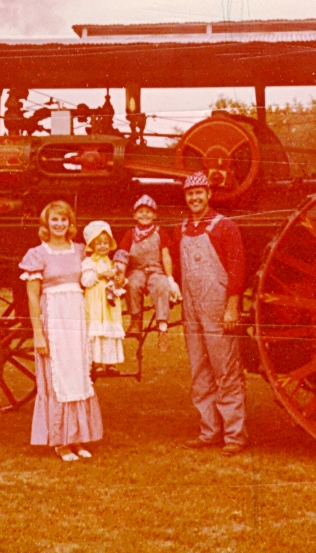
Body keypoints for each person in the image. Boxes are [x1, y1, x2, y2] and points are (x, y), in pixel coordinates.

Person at [19, 200, 102, 462]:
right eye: (54, 220)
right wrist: (38, 333)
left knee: (77, 375)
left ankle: (77, 438)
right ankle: (60, 442)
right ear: (47, 223)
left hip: (76, 318)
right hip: (52, 319)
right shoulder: (37, 254)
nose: (59, 224)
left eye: (63, 220)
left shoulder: (79, 251)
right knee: (59, 378)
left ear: (70, 223)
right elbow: (33, 297)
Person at [177, 171, 248, 457]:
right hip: (192, 308)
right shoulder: (182, 228)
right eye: (190, 194)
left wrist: (232, 306)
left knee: (226, 369)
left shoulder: (225, 226)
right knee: (199, 370)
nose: (194, 198)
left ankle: (235, 435)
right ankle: (209, 431)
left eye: (199, 193)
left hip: (218, 307)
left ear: (209, 194)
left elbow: (237, 268)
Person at [115, 194, 181, 352]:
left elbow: (165, 255)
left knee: (161, 286)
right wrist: (120, 273)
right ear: (134, 215)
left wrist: (170, 277)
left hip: (155, 269)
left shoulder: (160, 232)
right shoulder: (130, 234)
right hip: (137, 269)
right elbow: (122, 254)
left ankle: (162, 329)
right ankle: (136, 320)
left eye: (149, 211)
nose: (144, 214)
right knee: (132, 283)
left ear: (155, 215)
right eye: (140, 211)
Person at [81, 221, 126, 375]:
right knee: (98, 329)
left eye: (105, 243)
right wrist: (101, 275)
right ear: (92, 245)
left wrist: (119, 281)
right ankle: (97, 362)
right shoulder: (88, 262)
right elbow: (85, 280)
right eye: (98, 243)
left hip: (109, 302)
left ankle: (111, 363)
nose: (102, 246)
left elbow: (119, 281)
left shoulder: (112, 263)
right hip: (95, 300)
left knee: (110, 329)